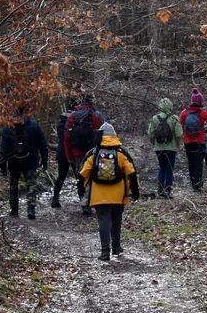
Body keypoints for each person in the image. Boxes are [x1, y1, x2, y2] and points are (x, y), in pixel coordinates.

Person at [79, 123, 140, 261]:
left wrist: (81, 189)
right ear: (114, 136)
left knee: (103, 221)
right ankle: (117, 247)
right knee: (116, 218)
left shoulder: (94, 153)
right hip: (118, 195)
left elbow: (84, 173)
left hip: (99, 195)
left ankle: (105, 251)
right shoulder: (121, 153)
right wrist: (135, 189)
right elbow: (131, 172)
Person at [0, 105, 48, 219]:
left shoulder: (8, 126)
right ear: (26, 111)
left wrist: (3, 164)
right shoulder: (33, 125)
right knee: (31, 184)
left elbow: (4, 148)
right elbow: (42, 144)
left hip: (13, 161)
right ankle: (31, 209)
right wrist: (44, 160)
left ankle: (14, 210)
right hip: (30, 160)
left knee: (13, 185)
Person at [65, 93, 103, 215]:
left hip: (77, 152)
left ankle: (83, 201)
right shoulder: (96, 115)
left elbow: (66, 137)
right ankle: (89, 202)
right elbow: (103, 134)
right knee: (92, 175)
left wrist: (69, 155)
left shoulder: (72, 116)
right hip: (93, 151)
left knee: (80, 176)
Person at [146, 97, 183, 198]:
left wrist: (155, 144)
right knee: (169, 169)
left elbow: (150, 134)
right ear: (170, 106)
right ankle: (168, 191)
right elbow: (179, 134)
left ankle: (160, 190)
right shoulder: (174, 118)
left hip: (159, 148)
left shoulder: (155, 118)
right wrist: (176, 144)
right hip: (171, 148)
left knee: (162, 167)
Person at [51, 95, 78, 207]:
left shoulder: (61, 121)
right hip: (74, 152)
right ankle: (84, 201)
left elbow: (61, 137)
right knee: (79, 177)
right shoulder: (77, 119)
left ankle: (55, 199)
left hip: (62, 153)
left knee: (61, 177)